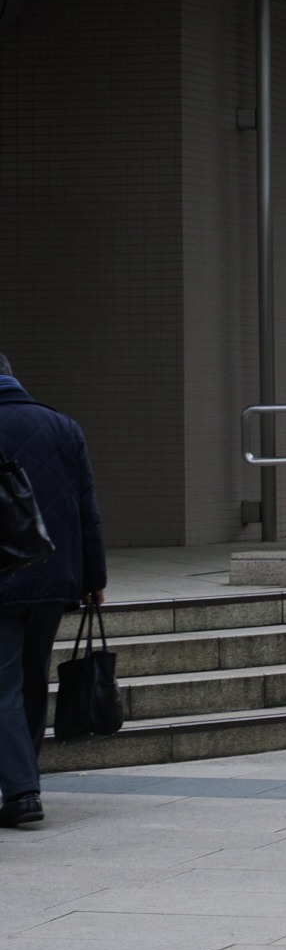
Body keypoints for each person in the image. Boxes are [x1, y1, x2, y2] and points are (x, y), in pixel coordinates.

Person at [0, 352, 105, 829]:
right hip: (52, 579)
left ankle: (22, 793)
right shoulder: (64, 427)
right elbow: (87, 509)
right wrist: (93, 579)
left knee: (4, 686)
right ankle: (25, 780)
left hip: (3, 578)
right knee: (31, 679)